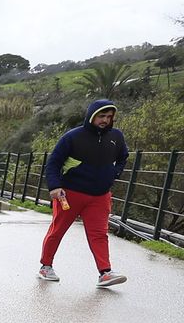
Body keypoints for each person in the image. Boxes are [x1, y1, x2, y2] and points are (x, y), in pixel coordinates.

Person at [38, 99, 128, 287]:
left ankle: (105, 273)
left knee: (99, 234)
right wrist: (54, 186)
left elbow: (123, 157)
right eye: (101, 116)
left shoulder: (116, 137)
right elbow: (53, 163)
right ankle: (46, 266)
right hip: (70, 193)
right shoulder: (72, 137)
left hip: (100, 196)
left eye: (109, 117)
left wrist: (114, 173)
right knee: (58, 230)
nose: (105, 120)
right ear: (92, 116)